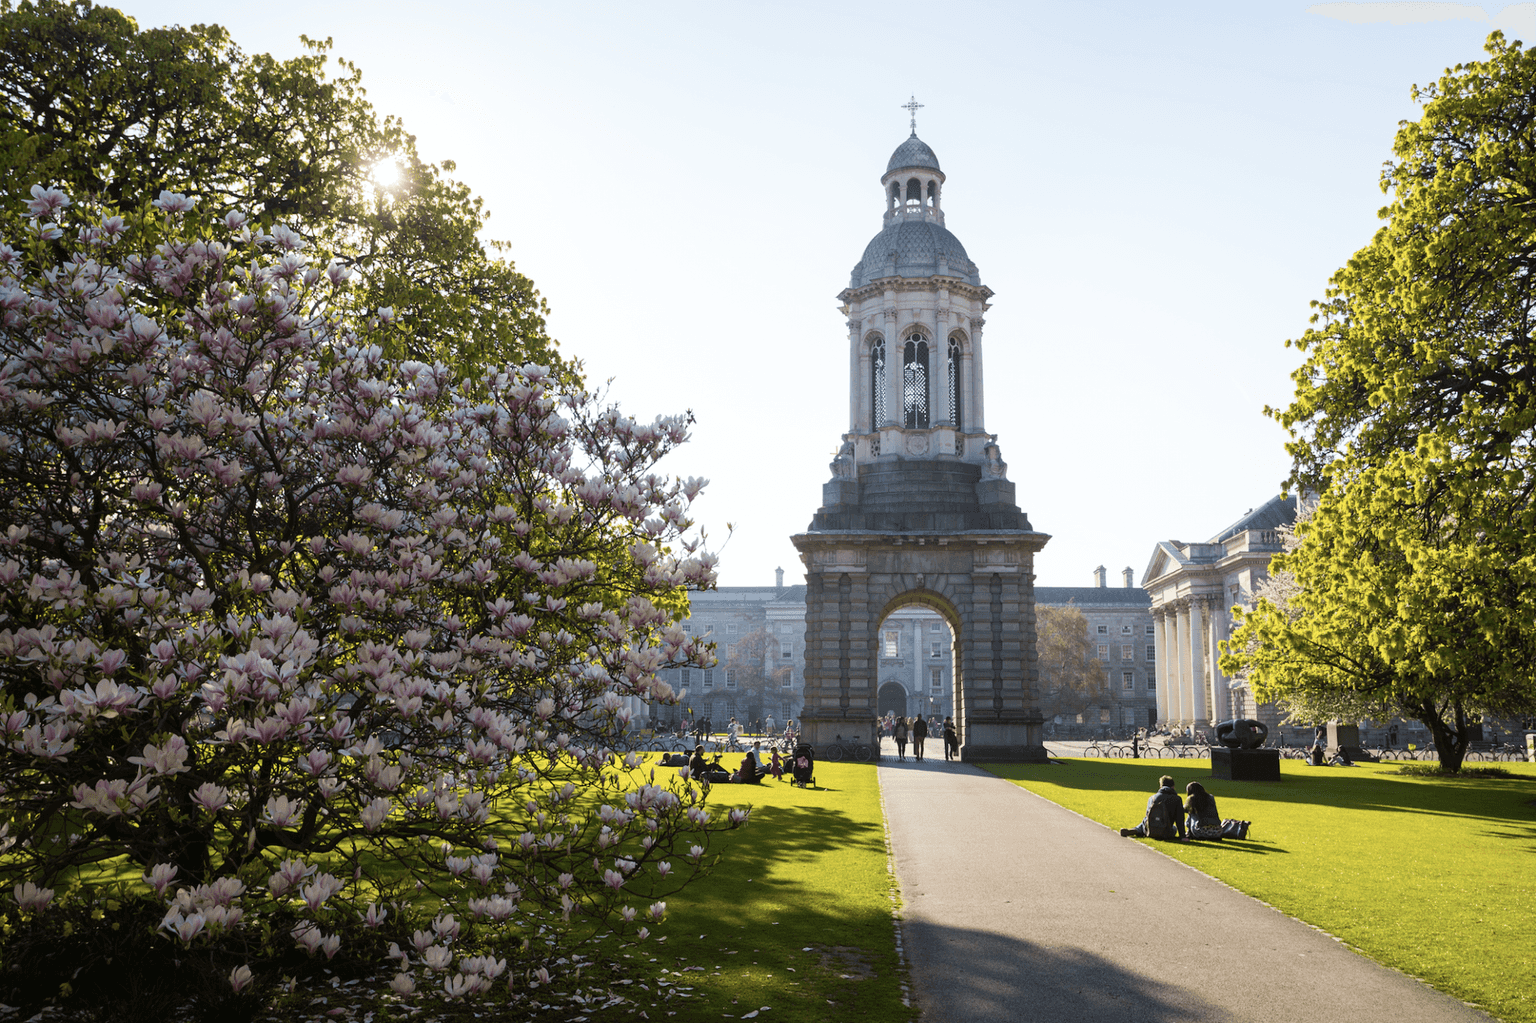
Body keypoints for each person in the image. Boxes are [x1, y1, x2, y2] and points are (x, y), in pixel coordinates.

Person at [1119, 775, 1186, 840]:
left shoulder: (1152, 798)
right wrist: (1182, 836)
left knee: (1145, 821)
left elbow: (1148, 816)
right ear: (1173, 786)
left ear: (1161, 786)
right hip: (1165, 831)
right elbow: (1179, 819)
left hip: (1149, 830)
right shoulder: (1177, 799)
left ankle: (1136, 830)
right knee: (1174, 828)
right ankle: (1137, 830)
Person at [1183, 781, 1250, 840]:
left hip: (1201, 832)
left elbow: (1184, 810)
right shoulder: (1210, 797)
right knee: (1193, 812)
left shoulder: (1192, 799)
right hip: (1218, 831)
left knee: (1191, 813)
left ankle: (1188, 834)